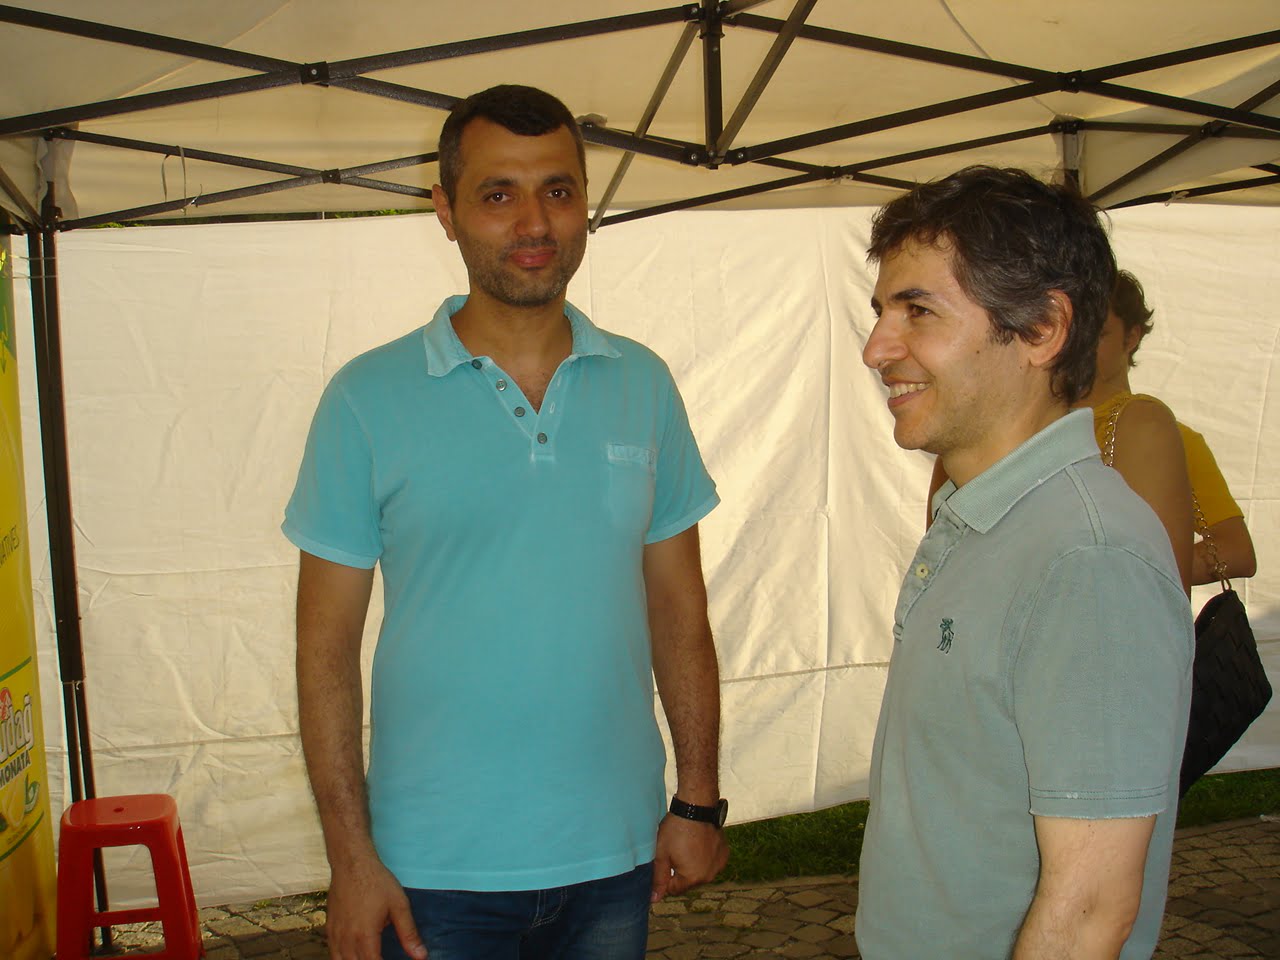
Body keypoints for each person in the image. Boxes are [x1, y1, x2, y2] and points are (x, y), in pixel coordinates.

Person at [284, 84, 728, 960]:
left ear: (586, 204)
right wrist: (350, 858)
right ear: (445, 211)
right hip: (429, 868)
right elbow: (324, 649)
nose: (534, 222)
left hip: (615, 854)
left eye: (558, 190)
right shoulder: (366, 399)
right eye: (498, 194)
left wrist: (698, 799)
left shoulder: (643, 384)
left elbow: (680, 608)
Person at [856, 166, 1193, 960]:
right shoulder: (987, 517)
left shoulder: (1087, 559)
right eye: (881, 312)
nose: (876, 349)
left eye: (918, 311)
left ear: (1042, 328)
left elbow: (1090, 912)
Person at [1085, 270, 1256, 586]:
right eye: (1074, 332)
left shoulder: (1167, 436)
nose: (1081, 345)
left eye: (1098, 333)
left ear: (1131, 337)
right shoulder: (1033, 426)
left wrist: (1136, 571)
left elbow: (1236, 550)